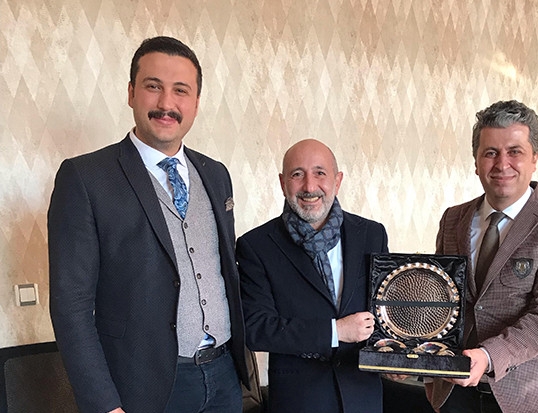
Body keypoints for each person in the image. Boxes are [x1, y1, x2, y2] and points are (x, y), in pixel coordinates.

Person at [48, 36, 248, 413]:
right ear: (131, 93)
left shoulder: (216, 174)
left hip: (223, 376)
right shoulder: (86, 178)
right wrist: (104, 404)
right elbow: (71, 306)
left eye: (181, 90)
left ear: (196, 103)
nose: (166, 104)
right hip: (142, 387)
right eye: (153, 86)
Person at [425, 100, 538, 413]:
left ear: (534, 158)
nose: (502, 164)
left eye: (515, 151)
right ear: (476, 162)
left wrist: (488, 356)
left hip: (527, 396)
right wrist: (409, 349)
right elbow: (440, 299)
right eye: (490, 153)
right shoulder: (453, 219)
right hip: (453, 391)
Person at [236, 139, 387, 413]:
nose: (309, 186)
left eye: (320, 173)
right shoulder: (256, 246)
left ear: (337, 181)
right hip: (299, 400)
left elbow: (384, 311)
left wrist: (395, 357)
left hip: (363, 396)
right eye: (297, 174)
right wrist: (335, 331)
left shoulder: (371, 235)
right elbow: (256, 329)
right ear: (282, 183)